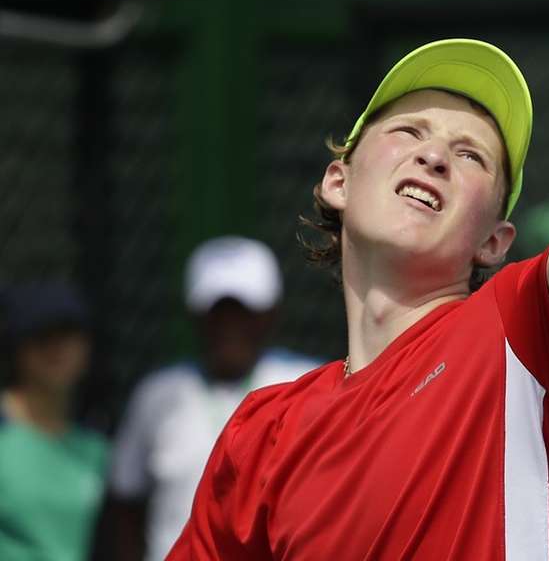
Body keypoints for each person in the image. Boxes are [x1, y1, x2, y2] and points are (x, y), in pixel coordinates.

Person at [166, 0, 549, 559]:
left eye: (470, 156)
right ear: (339, 181)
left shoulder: (516, 329)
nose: (434, 155)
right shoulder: (263, 431)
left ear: (494, 241)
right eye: (409, 130)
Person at [108, 237, 318, 561]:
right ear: (194, 315)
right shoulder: (157, 394)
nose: (230, 326)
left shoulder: (308, 385)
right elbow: (125, 505)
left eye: (245, 313)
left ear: (271, 314)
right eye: (218, 313)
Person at [0, 282, 108, 561]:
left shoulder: (97, 447)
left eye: (69, 335)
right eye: (42, 336)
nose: (57, 349)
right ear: (17, 346)